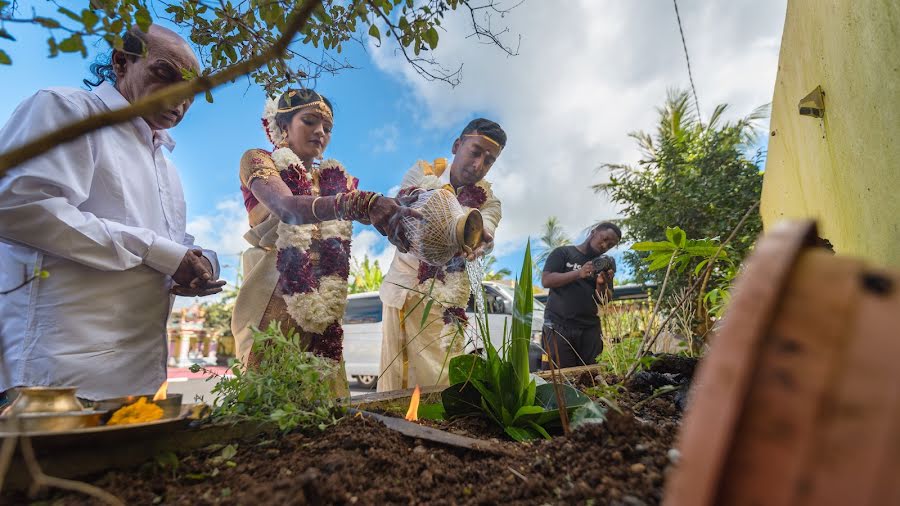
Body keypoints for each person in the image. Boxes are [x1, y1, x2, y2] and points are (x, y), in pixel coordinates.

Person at [0, 26, 224, 403]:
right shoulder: (67, 109)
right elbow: (17, 205)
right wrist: (164, 254)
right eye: (165, 74)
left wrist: (201, 266)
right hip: (54, 374)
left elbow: (169, 247)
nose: (181, 98)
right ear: (121, 62)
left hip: (136, 379)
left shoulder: (167, 167)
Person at [231, 88, 420, 398]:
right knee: (268, 402)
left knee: (325, 403)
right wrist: (358, 204)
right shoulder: (258, 160)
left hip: (324, 300)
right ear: (283, 126)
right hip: (271, 291)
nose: (320, 132)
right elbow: (288, 208)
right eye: (309, 121)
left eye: (328, 128)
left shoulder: (337, 180)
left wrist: (400, 209)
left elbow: (372, 209)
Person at [377, 118, 506, 392]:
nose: (479, 165)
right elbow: (405, 219)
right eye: (475, 152)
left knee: (443, 379)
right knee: (399, 381)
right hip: (407, 292)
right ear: (457, 145)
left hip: (449, 304)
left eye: (489, 160)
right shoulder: (422, 175)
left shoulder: (490, 201)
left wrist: (482, 239)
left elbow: (487, 227)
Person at [540, 222, 621, 369]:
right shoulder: (563, 253)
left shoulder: (604, 264)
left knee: (590, 377)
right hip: (558, 326)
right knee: (559, 378)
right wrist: (578, 273)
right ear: (593, 232)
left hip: (590, 330)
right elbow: (546, 280)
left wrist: (602, 283)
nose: (604, 245)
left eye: (610, 245)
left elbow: (605, 299)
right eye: (604, 239)